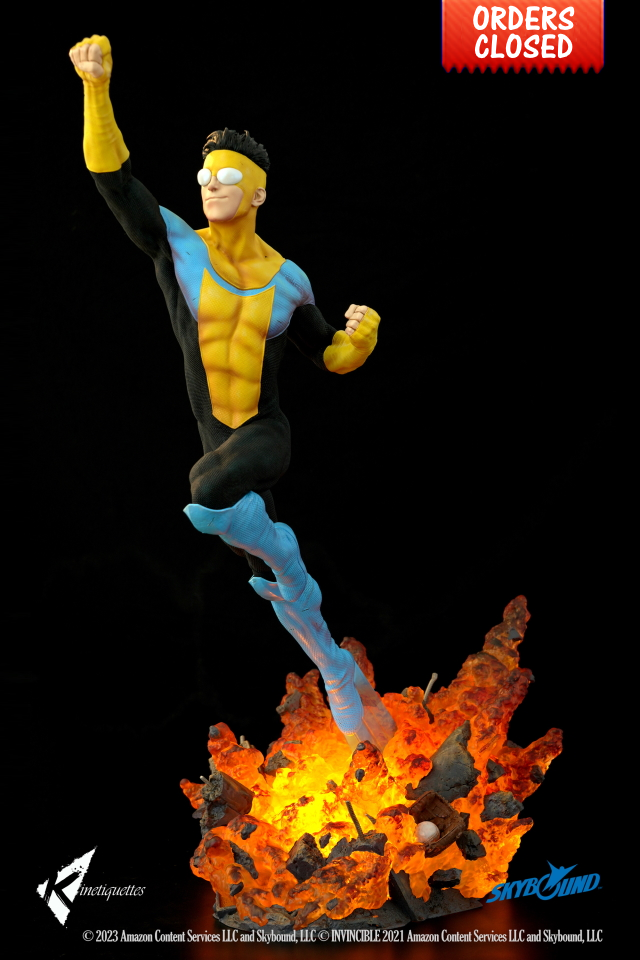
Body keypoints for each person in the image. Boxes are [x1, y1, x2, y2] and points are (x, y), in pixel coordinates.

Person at [68, 35, 395, 750]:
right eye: (203, 175)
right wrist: (96, 89)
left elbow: (330, 355)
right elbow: (114, 180)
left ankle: (284, 556)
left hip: (263, 434)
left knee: (207, 493)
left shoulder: (289, 279)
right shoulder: (178, 246)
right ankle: (337, 670)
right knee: (272, 575)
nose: (209, 184)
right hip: (215, 434)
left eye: (224, 176)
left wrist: (363, 340)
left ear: (258, 193)